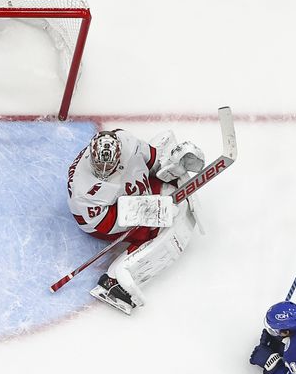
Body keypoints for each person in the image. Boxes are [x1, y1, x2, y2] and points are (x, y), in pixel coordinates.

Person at [66, 128, 205, 314]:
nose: (104, 172)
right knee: (155, 229)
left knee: (163, 147)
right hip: (102, 221)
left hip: (129, 192)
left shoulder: (126, 142)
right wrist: (153, 211)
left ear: (118, 153)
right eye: (99, 166)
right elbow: (105, 223)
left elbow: (151, 159)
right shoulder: (84, 190)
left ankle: (161, 189)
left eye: (110, 165)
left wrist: (169, 169)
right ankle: (115, 282)